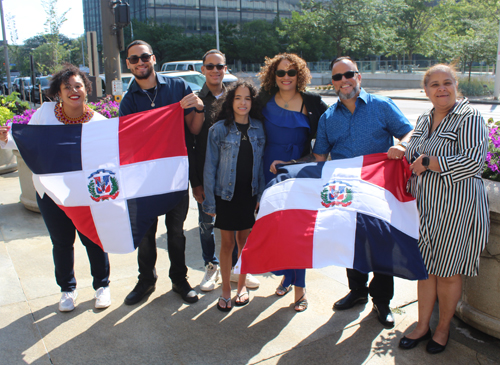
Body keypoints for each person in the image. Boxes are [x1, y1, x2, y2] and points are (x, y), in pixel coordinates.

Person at [271, 56, 413, 325]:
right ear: (332, 82)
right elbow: (319, 158)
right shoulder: (328, 118)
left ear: (359, 77)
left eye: (349, 74)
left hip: (378, 190)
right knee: (352, 243)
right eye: (337, 77)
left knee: (381, 245)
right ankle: (357, 291)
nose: (343, 80)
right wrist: (290, 168)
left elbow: (408, 132)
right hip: (346, 192)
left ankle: (381, 302)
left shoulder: (382, 106)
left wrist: (403, 146)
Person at [0, 64, 111, 312]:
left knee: (93, 240)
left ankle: (102, 286)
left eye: (78, 86)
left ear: (86, 90)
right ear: (58, 92)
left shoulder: (99, 122)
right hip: (51, 194)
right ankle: (67, 290)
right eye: (67, 87)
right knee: (61, 242)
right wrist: (5, 139)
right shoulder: (45, 114)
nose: (73, 90)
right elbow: (26, 141)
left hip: (85, 195)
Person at [399, 64, 489, 354]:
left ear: (455, 85)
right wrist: (403, 149)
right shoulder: (425, 119)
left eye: (447, 83)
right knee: (425, 270)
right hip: (424, 211)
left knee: (448, 273)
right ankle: (422, 325)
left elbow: (475, 162)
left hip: (456, 210)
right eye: (434, 84)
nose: (441, 89)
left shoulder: (469, 116)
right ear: (425, 91)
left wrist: (430, 162)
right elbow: (413, 149)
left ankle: (441, 329)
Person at [119, 40, 204, 305]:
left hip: (175, 173)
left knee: (176, 232)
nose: (140, 62)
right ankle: (146, 280)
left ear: (154, 59)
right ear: (128, 64)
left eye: (144, 57)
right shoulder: (129, 100)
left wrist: (198, 108)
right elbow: (127, 141)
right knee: (145, 232)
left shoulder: (178, 88)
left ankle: (179, 279)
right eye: (134, 59)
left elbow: (195, 129)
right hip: (142, 178)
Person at [258, 53, 328, 312]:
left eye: (291, 72)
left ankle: (300, 289)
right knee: (276, 229)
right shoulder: (262, 100)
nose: (286, 77)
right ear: (272, 75)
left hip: (299, 172)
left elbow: (327, 137)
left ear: (300, 75)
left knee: (298, 231)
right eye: (280, 72)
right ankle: (288, 276)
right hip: (268, 171)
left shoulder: (313, 102)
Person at [194, 49, 260, 292]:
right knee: (209, 228)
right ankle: (211, 269)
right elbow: (192, 146)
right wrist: (198, 184)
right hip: (213, 182)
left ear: (225, 68)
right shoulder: (197, 100)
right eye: (210, 66)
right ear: (203, 69)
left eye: (219, 66)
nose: (214, 70)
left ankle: (237, 273)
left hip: (244, 188)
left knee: (242, 237)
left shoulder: (246, 111)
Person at [203, 81, 266, 312]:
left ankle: (241, 287)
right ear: (231, 101)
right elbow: (209, 167)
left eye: (247, 98)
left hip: (248, 194)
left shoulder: (259, 127)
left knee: (245, 242)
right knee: (228, 244)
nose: (243, 102)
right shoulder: (218, 129)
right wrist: (209, 201)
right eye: (238, 98)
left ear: (252, 102)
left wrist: (260, 193)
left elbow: (259, 165)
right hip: (225, 195)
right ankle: (226, 292)